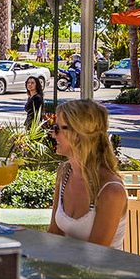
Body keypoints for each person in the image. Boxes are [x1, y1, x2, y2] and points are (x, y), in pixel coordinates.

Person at [48, 100, 127, 249]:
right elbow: (54, 233)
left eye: (57, 128)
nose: (53, 134)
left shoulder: (111, 190)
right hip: (66, 268)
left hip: (102, 271)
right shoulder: (64, 173)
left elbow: (94, 255)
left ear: (77, 135)